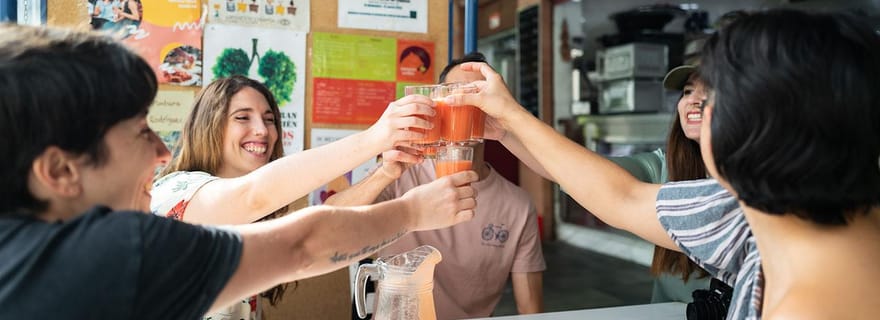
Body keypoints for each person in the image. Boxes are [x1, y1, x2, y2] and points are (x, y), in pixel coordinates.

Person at [0, 24, 478, 319]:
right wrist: (404, 194)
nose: (160, 151)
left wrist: (382, 175)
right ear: (60, 170)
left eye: (269, 119)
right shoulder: (156, 211)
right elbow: (299, 243)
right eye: (138, 131)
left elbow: (302, 229)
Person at [445, 9, 880, 319]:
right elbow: (621, 195)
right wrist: (507, 125)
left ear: (747, 129)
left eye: (711, 100)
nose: (696, 108)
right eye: (689, 94)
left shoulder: (809, 305)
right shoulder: (747, 211)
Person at [150, 73, 440, 319]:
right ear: (208, 126)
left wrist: (385, 173)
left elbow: (315, 232)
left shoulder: (249, 217)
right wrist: (375, 138)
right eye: (242, 117)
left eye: (269, 119)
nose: (262, 131)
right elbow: (254, 196)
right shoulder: (175, 190)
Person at [326, 52, 545, 319]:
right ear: (437, 104)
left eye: (477, 95)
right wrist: (383, 174)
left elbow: (530, 309)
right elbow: (328, 222)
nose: (465, 103)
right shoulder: (402, 175)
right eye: (454, 95)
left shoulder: (517, 206)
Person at [607, 65, 714, 305]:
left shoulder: (754, 184)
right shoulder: (666, 166)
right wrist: (512, 128)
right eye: (687, 92)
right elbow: (583, 172)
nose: (693, 101)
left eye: (708, 91)